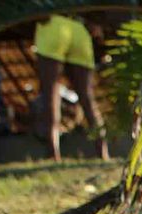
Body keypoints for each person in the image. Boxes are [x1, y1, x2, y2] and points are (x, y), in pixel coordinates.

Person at [33, 14, 109, 161]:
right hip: (79, 29)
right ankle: (103, 153)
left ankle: (53, 154)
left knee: (50, 94)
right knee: (87, 98)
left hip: (53, 26)